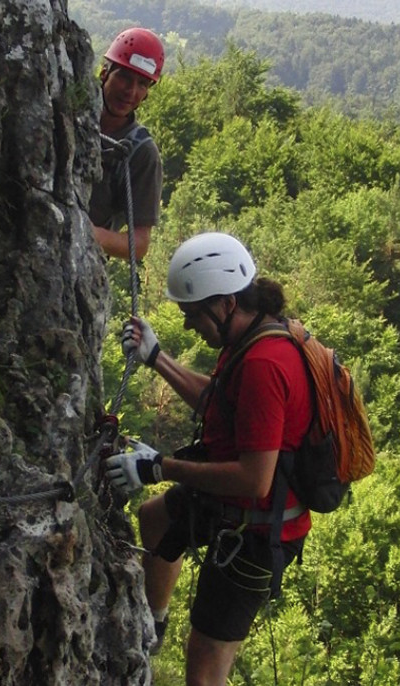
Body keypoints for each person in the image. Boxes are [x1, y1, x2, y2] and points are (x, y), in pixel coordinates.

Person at [105, 232, 313, 684]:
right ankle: (151, 629)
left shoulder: (265, 363)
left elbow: (254, 479)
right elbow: (218, 403)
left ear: (225, 304)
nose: (188, 325)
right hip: (233, 505)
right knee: (155, 518)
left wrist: (158, 467)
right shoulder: (251, 337)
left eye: (192, 314)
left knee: (203, 668)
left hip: (258, 532)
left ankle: (152, 632)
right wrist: (156, 358)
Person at [90, 27, 165, 261]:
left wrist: (87, 232)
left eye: (142, 84)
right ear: (105, 73)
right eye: (124, 77)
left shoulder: (141, 153)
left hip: (80, 257)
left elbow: (140, 245)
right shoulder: (68, 110)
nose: (130, 91)